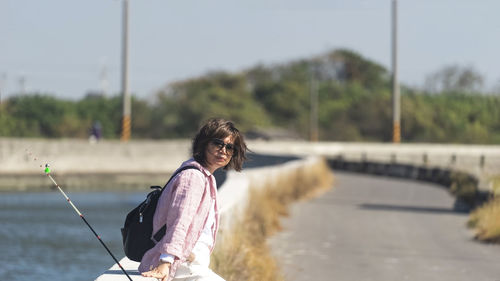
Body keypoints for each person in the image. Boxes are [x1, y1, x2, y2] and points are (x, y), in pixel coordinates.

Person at [139, 118, 247, 281]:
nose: (223, 151)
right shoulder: (193, 177)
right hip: (183, 267)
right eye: (218, 144)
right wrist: (165, 262)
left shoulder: (203, 175)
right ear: (204, 144)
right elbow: (180, 221)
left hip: (192, 265)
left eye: (230, 147)